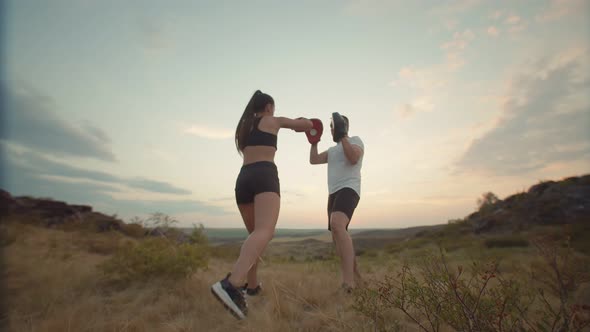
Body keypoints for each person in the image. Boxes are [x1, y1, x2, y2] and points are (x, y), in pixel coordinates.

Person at [210, 90, 313, 319]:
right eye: (273, 108)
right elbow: (303, 125)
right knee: (265, 232)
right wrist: (306, 121)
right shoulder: (272, 120)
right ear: (268, 106)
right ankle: (232, 284)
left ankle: (252, 286)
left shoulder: (244, 127)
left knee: (254, 237)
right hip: (264, 175)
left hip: (243, 178)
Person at [309, 112, 364, 291]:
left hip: (349, 189)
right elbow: (314, 160)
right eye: (332, 128)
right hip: (333, 194)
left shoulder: (355, 140)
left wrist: (343, 136)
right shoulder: (332, 151)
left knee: (337, 225)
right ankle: (357, 278)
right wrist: (314, 141)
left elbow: (353, 158)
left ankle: (348, 285)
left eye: (334, 126)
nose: (332, 130)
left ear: (343, 126)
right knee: (338, 237)